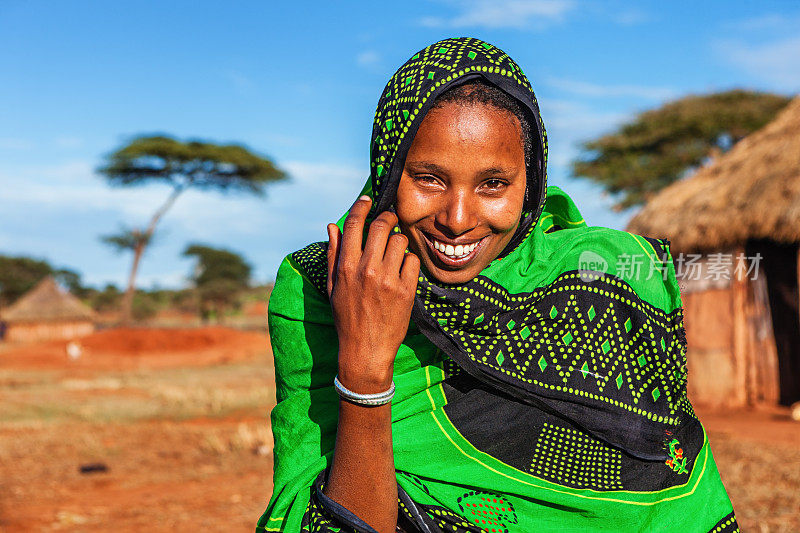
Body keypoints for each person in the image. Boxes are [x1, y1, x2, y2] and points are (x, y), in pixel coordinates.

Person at [257, 37, 737, 533]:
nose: (458, 220)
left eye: (493, 184)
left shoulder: (607, 275)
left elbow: (667, 488)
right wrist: (365, 368)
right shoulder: (323, 286)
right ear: (388, 170)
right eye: (428, 178)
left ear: (530, 184)